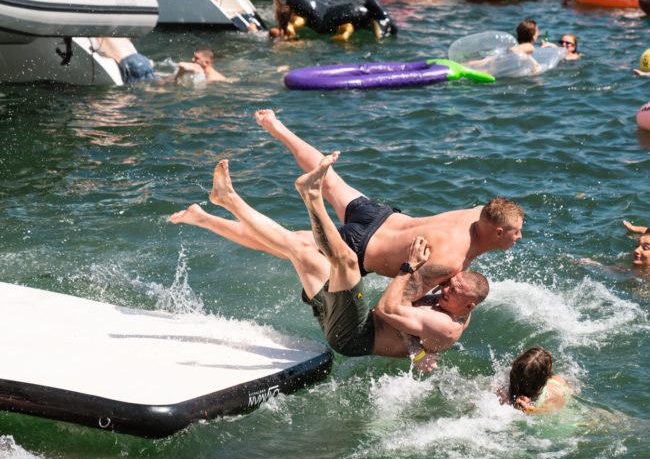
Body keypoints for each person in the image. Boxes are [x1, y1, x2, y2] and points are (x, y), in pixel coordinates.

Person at [172, 153, 489, 370]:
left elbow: (386, 310)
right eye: (450, 285)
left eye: (452, 291)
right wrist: (415, 349)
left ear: (469, 305)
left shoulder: (446, 326)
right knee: (296, 246)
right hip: (348, 321)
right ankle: (216, 209)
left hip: (354, 335)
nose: (445, 290)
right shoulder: (450, 305)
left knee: (348, 263)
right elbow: (403, 322)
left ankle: (310, 196)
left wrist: (409, 268)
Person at [172, 109, 524, 292]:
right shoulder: (452, 261)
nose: (518, 237)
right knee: (284, 243)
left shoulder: (479, 212)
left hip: (381, 216)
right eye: (514, 233)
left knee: (331, 179)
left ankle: (277, 128)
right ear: (495, 230)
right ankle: (207, 215)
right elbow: (398, 302)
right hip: (358, 247)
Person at [267, 0, 397, 42]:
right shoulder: (298, 11)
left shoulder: (296, 17)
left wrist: (290, 30)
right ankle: (384, 21)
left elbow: (281, 6)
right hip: (351, 13)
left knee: (367, 13)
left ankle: (384, 20)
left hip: (351, 14)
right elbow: (279, 2)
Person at [501, 347, 571, 413]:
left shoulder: (502, 393)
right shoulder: (555, 389)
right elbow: (553, 410)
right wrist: (533, 411)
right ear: (545, 379)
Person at [90, 37, 156, 83]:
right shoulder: (119, 33)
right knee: (153, 78)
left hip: (131, 63)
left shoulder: (100, 33)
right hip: (140, 59)